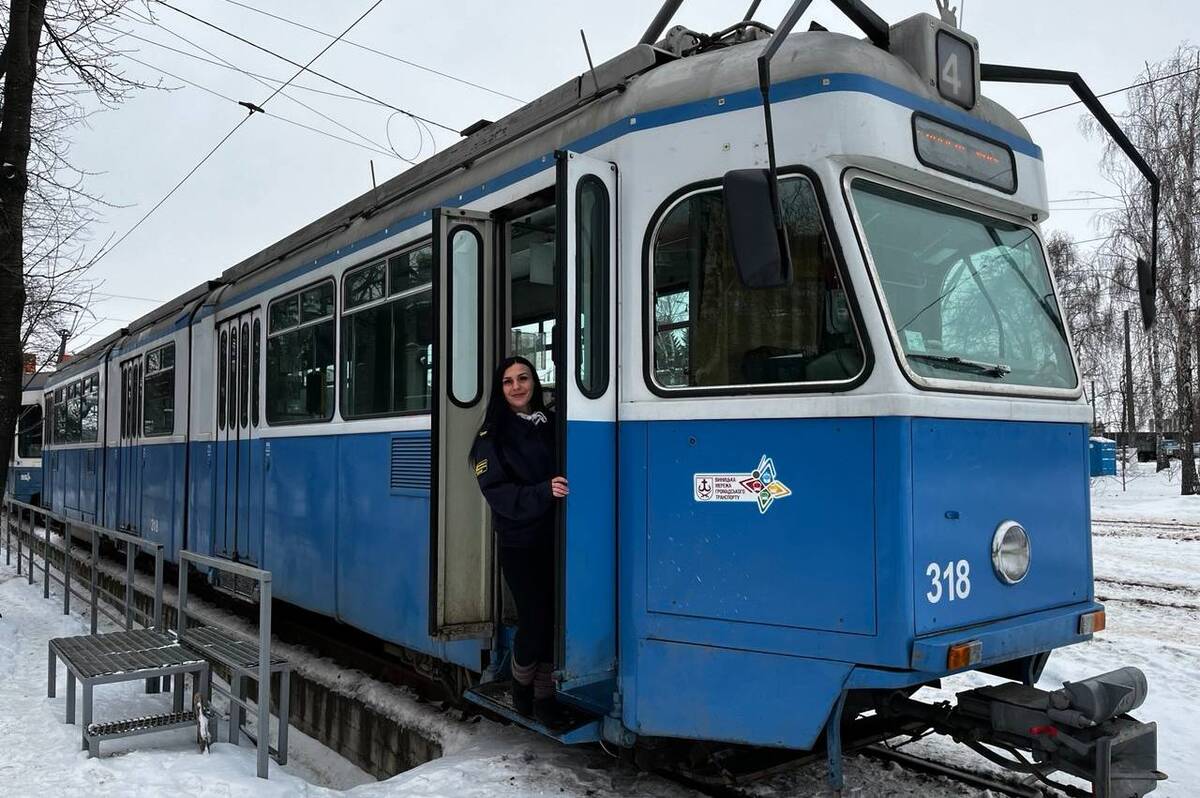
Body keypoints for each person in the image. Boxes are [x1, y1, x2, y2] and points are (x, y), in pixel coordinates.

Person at [470, 355, 572, 729]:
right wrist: (542, 493)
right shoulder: (491, 436)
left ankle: (545, 698)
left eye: (523, 378)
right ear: (501, 390)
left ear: (534, 383)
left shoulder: (551, 426)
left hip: (555, 539)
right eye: (508, 381)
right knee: (534, 619)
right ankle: (519, 682)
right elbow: (497, 492)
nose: (517, 387)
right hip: (519, 544)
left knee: (553, 618)